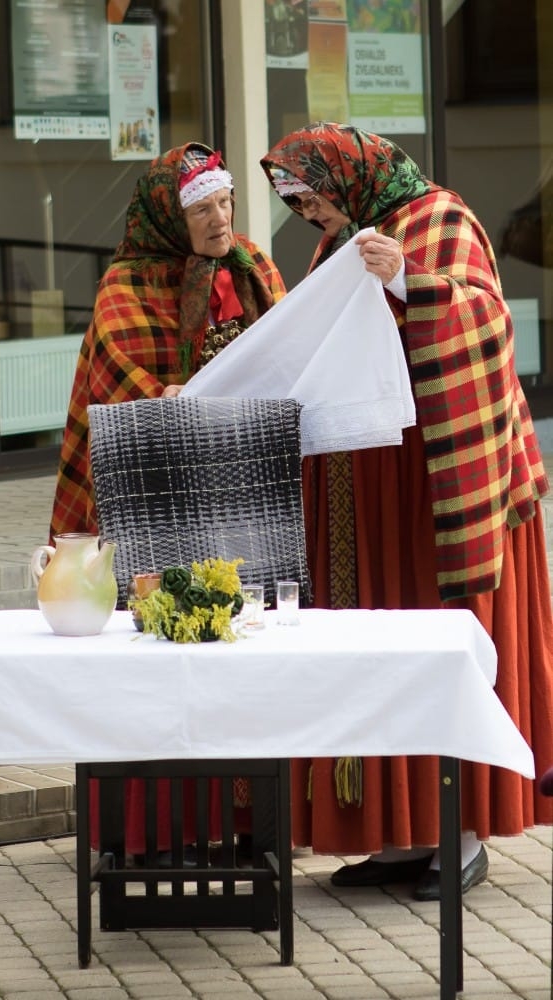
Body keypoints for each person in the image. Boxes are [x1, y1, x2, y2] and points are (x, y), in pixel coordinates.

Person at [260, 121, 553, 900]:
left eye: (312, 197)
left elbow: (489, 325)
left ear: (350, 176)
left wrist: (406, 280)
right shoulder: (341, 241)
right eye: (299, 204)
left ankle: (456, 837)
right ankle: (396, 832)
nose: (308, 216)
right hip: (363, 487)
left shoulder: (441, 218)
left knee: (435, 643)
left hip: (435, 486)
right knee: (371, 652)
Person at [49, 142, 286, 859]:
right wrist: (166, 400)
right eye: (202, 208)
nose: (220, 220)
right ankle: (153, 832)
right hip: (152, 495)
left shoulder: (252, 265)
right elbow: (116, 378)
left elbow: (280, 347)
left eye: (226, 203)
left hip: (235, 486)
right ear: (167, 216)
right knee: (155, 651)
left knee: (236, 648)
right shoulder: (126, 285)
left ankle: (244, 825)